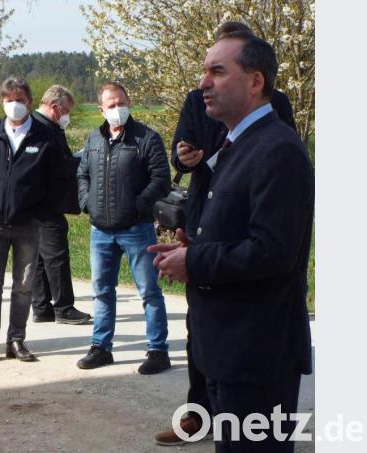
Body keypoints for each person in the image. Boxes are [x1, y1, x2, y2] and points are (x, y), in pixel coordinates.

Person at [150, 31, 313, 452]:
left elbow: (273, 252)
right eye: (205, 71)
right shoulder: (238, 144)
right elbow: (238, 227)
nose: (204, 82)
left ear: (255, 82)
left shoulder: (277, 149)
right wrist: (191, 245)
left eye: (217, 72)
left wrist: (197, 261)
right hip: (228, 351)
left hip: (257, 356)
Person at [0, 77, 67, 367]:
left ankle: (16, 340)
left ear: (30, 102)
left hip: (29, 224)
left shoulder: (45, 138)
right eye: (9, 99)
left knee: (23, 286)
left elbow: (58, 181)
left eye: (19, 99)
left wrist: (41, 212)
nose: (14, 104)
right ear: (2, 102)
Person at [75, 81, 172, 374]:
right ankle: (101, 346)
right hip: (100, 230)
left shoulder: (146, 138)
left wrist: (138, 206)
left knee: (149, 291)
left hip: (137, 228)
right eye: (111, 105)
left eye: (121, 103)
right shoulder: (93, 139)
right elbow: (82, 174)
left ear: (129, 103)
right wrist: (86, 202)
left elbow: (161, 179)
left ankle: (158, 351)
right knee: (101, 291)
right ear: (101, 109)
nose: (118, 109)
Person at [29, 85, 91, 325]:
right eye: (66, 111)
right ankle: (64, 307)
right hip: (46, 203)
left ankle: (41, 307)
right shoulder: (42, 129)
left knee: (40, 259)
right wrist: (76, 161)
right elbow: (50, 165)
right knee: (56, 256)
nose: (67, 116)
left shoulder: (40, 126)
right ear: (54, 107)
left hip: (37, 203)